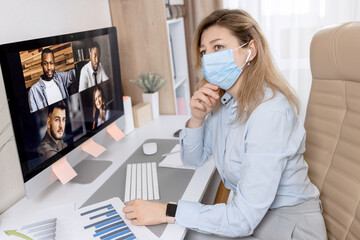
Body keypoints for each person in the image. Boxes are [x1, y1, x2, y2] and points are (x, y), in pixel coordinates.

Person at [122, 9, 327, 239]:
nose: (208, 57)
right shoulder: (226, 103)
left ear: (250, 50)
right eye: (204, 51)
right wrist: (197, 118)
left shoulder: (270, 114)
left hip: (288, 224)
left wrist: (165, 210)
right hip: (253, 215)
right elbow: (193, 158)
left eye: (218, 47)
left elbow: (242, 221)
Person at [28, 48, 76, 113]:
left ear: (54, 64)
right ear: (41, 65)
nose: (49, 67)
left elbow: (75, 73)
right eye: (45, 64)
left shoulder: (61, 78)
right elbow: (35, 118)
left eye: (51, 63)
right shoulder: (34, 91)